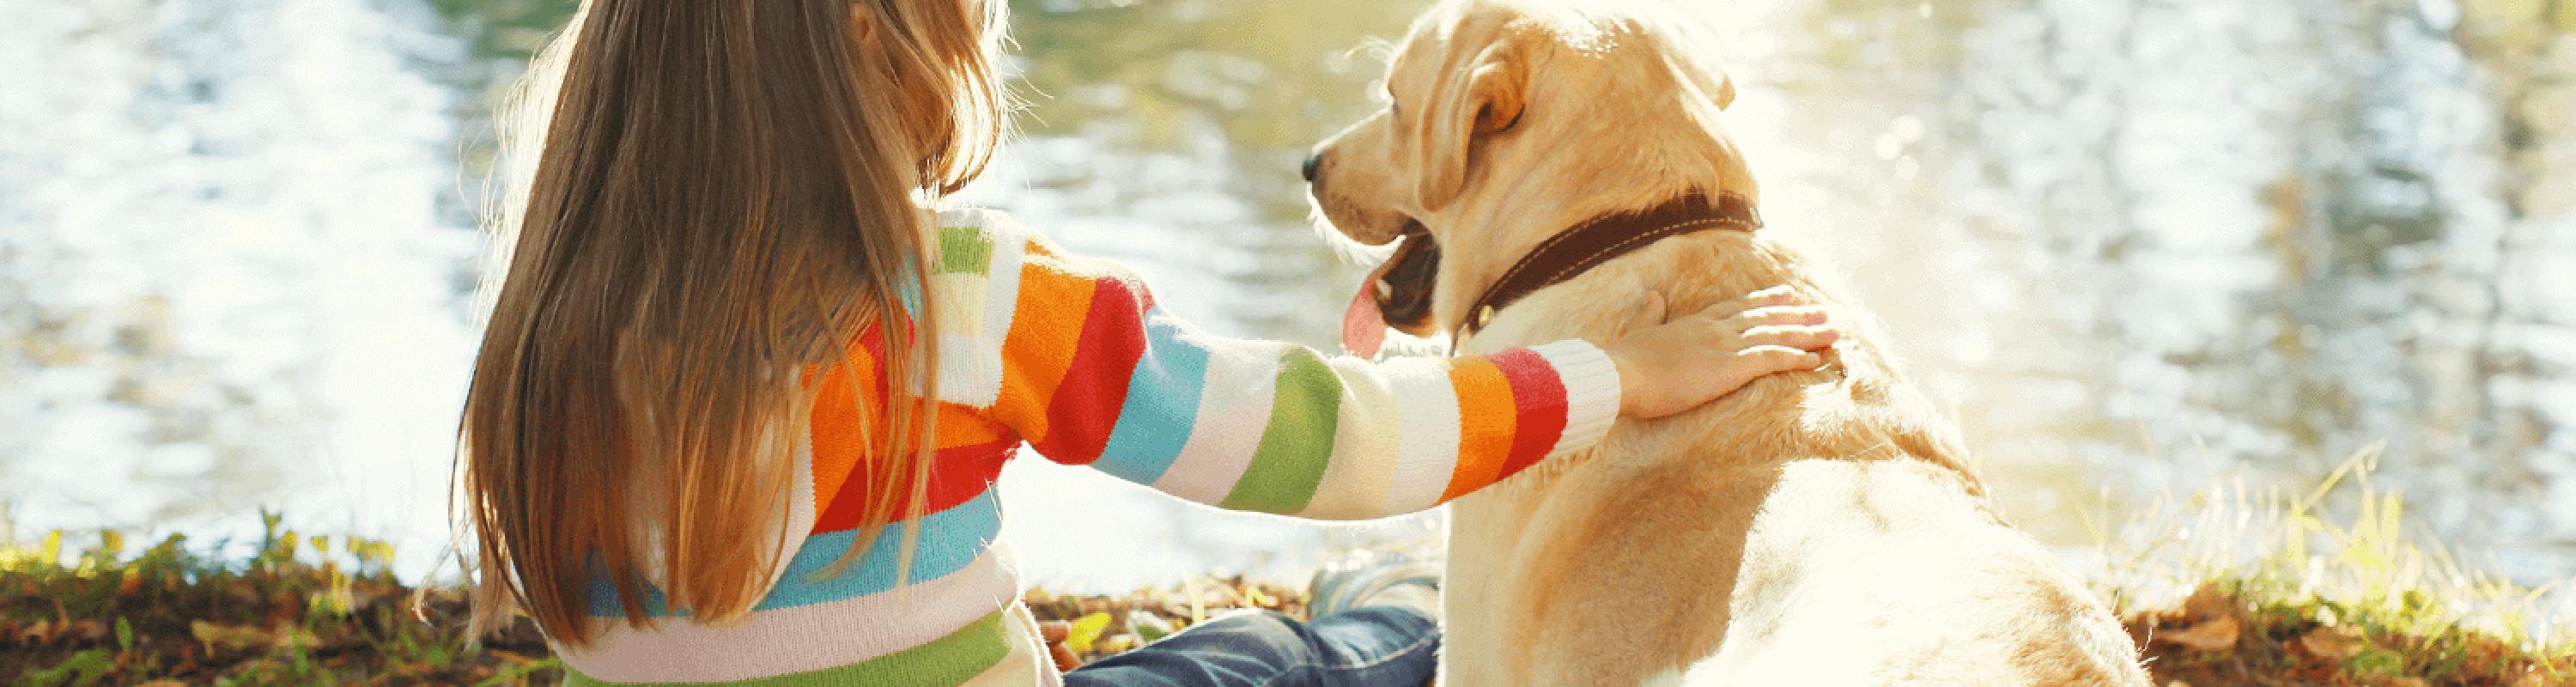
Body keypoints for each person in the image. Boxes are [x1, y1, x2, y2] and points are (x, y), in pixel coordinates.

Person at [451, 0, 1840, 685]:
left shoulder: (557, 325)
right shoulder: (961, 300)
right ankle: (1397, 617)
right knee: (1335, 653)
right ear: (876, 37)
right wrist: (1615, 376)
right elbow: (1324, 441)